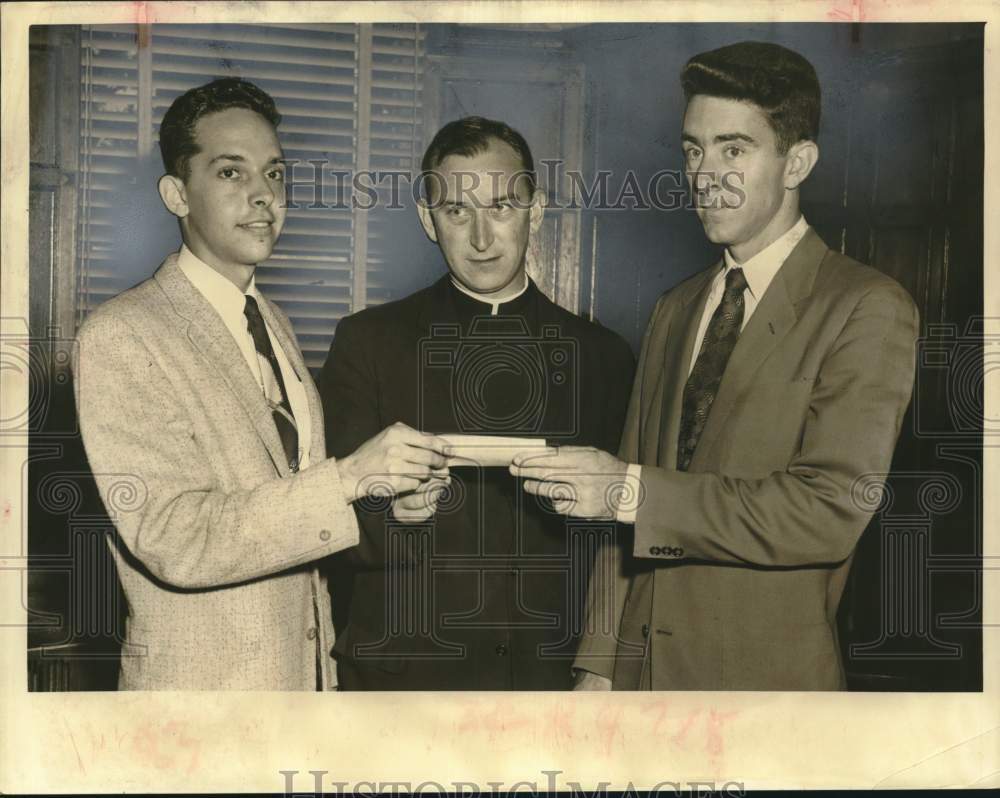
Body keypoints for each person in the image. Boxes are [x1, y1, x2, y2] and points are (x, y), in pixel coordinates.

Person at [510, 42, 920, 690]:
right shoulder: (677, 308)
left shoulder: (865, 307)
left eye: (734, 149)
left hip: (765, 693)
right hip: (644, 686)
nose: (705, 174)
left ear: (798, 161)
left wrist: (626, 490)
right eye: (694, 150)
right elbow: (630, 512)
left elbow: (828, 511)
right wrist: (598, 666)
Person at [73, 78, 450, 690]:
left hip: (299, 691)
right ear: (176, 194)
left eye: (274, 175)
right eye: (230, 173)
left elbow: (291, 506)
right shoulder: (123, 335)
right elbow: (174, 537)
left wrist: (381, 504)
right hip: (201, 702)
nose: (262, 196)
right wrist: (348, 477)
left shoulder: (270, 322)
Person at [320, 116, 634, 690]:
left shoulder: (605, 357)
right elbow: (324, 513)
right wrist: (392, 514)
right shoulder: (367, 343)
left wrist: (604, 668)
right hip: (403, 686)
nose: (482, 238)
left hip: (549, 683)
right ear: (427, 219)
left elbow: (623, 539)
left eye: (502, 208)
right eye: (457, 212)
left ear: (536, 211)